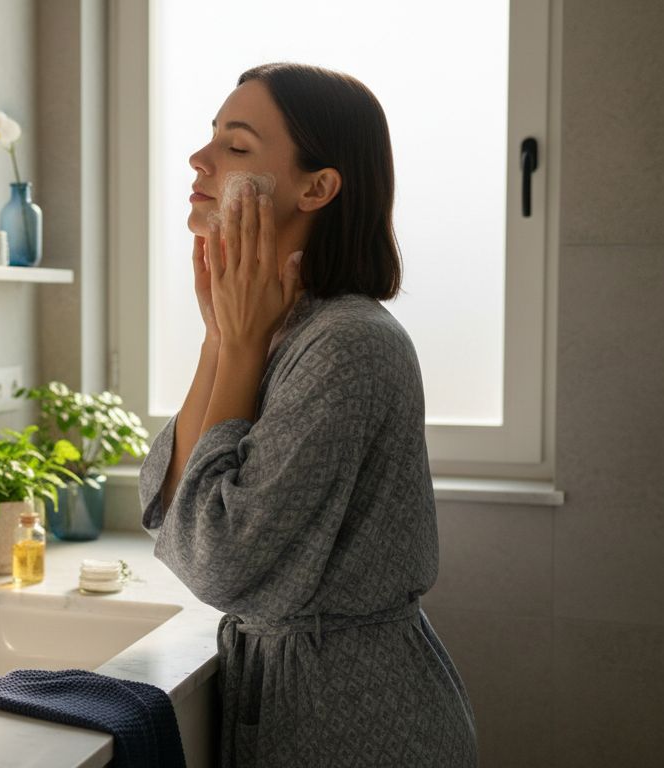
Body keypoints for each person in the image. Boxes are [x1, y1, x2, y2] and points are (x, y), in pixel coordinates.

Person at [138, 62, 480, 767]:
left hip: (360, 722)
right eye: (211, 138)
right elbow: (172, 505)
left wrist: (236, 346)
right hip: (303, 701)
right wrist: (219, 337)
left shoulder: (350, 344)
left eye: (236, 147)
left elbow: (217, 563)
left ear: (317, 187)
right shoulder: (277, 329)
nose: (199, 159)